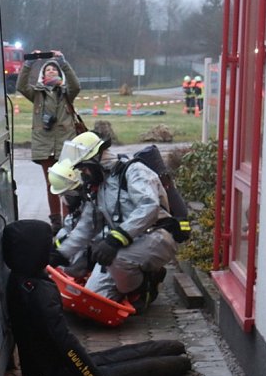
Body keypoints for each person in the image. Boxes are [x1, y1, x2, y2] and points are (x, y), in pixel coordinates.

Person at [3, 220, 191, 376]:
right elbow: (65, 343)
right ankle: (183, 361)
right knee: (160, 367)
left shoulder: (18, 281)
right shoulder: (40, 292)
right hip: (67, 374)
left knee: (122, 354)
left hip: (58, 366)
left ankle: (174, 348)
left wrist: (31, 375)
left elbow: (23, 337)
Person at [51, 131, 179, 313]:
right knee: (93, 300)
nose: (83, 174)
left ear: (96, 160)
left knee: (118, 259)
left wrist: (115, 239)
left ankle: (144, 287)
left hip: (156, 237)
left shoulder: (134, 171)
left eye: (84, 168)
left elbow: (149, 208)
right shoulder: (101, 186)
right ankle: (129, 280)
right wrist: (60, 254)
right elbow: (87, 226)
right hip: (125, 243)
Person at [17, 49, 81, 233]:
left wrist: (63, 62)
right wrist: (29, 63)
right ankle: (56, 222)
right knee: (52, 184)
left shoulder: (67, 92)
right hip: (45, 145)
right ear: (42, 75)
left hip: (65, 144)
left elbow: (76, 85)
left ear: (59, 73)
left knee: (67, 184)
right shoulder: (37, 94)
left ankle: (69, 220)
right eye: (47, 70)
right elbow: (21, 85)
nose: (51, 71)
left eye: (54, 70)